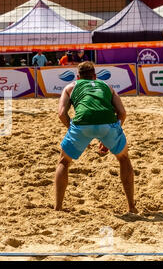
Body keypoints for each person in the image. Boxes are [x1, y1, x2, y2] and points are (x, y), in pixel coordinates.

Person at [55, 61, 138, 214]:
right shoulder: (107, 87)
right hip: (108, 124)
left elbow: (61, 114)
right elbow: (122, 113)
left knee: (64, 162)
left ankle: (58, 207)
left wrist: (73, 130)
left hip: (81, 125)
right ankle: (131, 207)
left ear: (78, 77)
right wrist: (109, 137)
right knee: (124, 158)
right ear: (95, 76)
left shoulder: (70, 87)